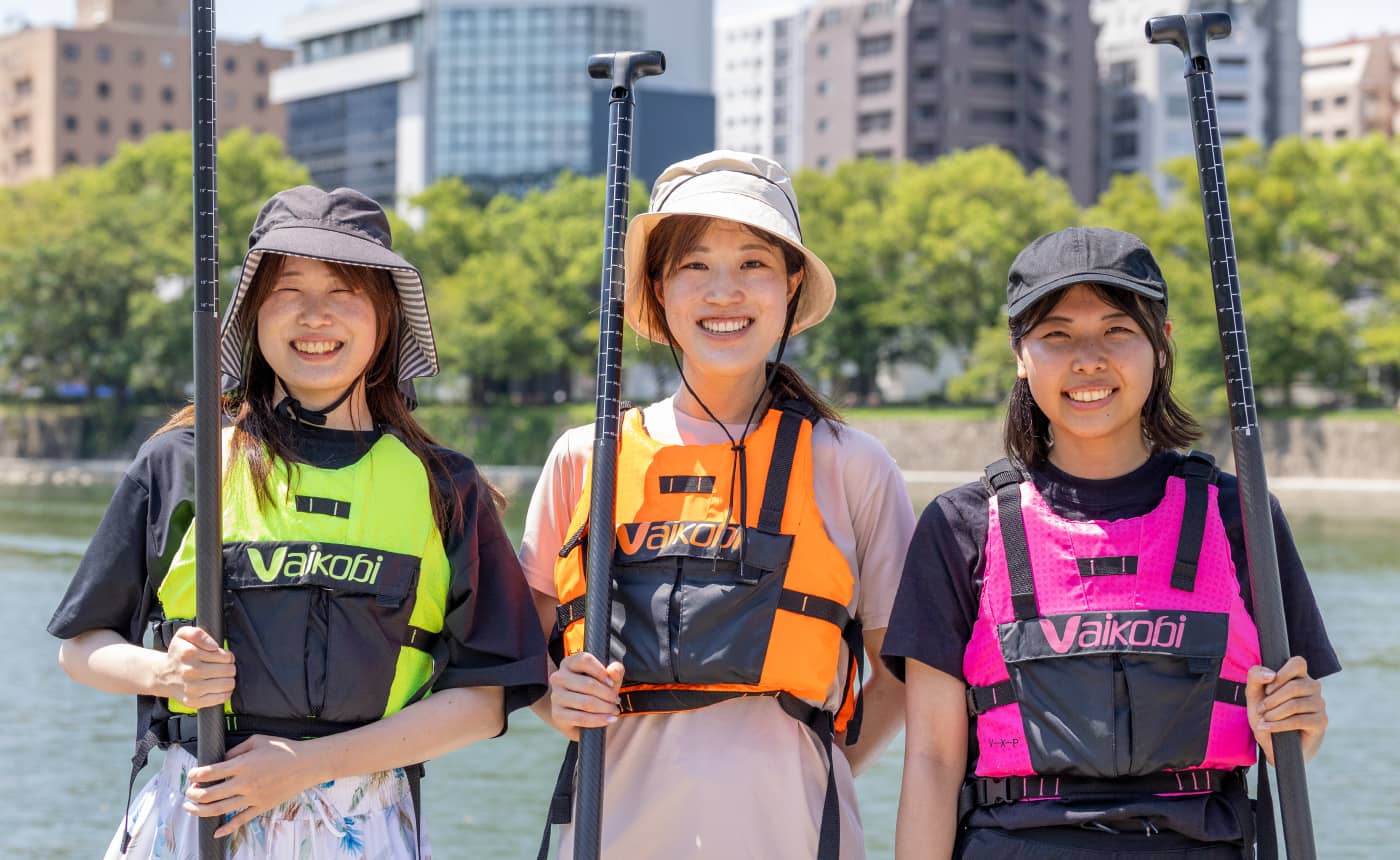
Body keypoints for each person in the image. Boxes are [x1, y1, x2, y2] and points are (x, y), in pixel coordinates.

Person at [47, 186, 548, 858]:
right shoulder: (184, 460)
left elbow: (485, 703)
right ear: (252, 313)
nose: (316, 316)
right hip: (194, 813)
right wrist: (165, 672)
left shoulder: (444, 486)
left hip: (362, 818)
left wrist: (303, 767)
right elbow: (80, 649)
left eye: (344, 290)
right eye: (288, 290)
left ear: (386, 318)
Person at [882, 226, 1339, 859]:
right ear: (1020, 353)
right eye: (1057, 335)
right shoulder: (959, 525)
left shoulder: (1241, 516)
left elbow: (1292, 735)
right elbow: (932, 760)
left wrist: (1299, 727)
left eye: (1118, 330)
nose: (1088, 358)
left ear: (1162, 343)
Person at [518, 151, 914, 859]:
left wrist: (820, 764)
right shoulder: (586, 458)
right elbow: (515, 654)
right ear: (658, 289)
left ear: (792, 285)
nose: (723, 292)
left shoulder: (853, 465)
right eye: (694, 266)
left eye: (754, 264)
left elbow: (905, 674)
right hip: (609, 834)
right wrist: (556, 697)